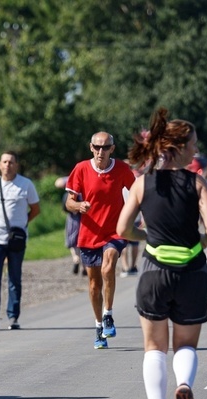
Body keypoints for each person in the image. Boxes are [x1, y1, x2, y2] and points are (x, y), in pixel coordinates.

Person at [117, 108, 207, 399]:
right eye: (193, 144)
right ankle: (185, 385)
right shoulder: (196, 182)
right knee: (186, 345)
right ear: (179, 147)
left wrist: (149, 237)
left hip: (153, 272)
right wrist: (201, 242)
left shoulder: (142, 183)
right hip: (191, 271)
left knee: (154, 347)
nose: (197, 150)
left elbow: (123, 229)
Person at [65, 132, 135, 349]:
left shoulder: (122, 169)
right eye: (97, 147)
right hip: (88, 234)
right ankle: (98, 327)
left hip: (114, 232)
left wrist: (141, 217)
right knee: (94, 284)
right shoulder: (81, 169)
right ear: (91, 147)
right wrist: (79, 206)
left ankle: (108, 315)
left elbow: (137, 193)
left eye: (105, 148)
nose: (100, 152)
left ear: (112, 149)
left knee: (108, 267)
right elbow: (69, 202)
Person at [0, 151, 40, 330]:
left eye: (11, 162)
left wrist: (21, 224)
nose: (8, 165)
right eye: (5, 162)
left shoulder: (26, 184)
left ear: (17, 165)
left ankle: (13, 316)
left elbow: (35, 209)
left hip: (17, 239)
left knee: (14, 277)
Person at [54, 176, 85, 276]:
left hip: (72, 217)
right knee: (82, 241)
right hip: (84, 217)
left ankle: (76, 259)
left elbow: (57, 183)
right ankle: (84, 266)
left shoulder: (71, 179)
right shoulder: (87, 179)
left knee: (72, 240)